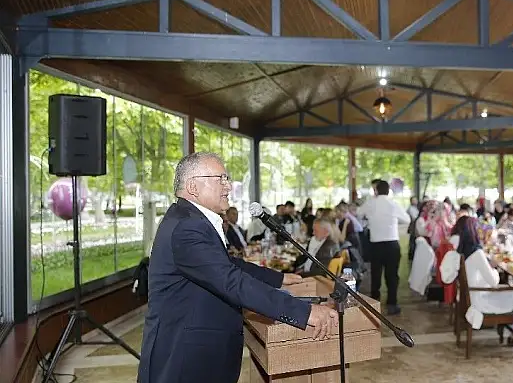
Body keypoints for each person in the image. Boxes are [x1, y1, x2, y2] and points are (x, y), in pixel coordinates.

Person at [138, 152, 337, 383]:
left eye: (227, 178)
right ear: (193, 186)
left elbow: (225, 264)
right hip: (186, 357)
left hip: (196, 350)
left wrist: (278, 279)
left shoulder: (189, 219)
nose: (229, 186)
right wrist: (303, 312)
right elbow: (230, 280)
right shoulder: (188, 226)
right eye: (220, 179)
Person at [358, 180, 410, 315]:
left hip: (375, 245)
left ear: (376, 190)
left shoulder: (371, 203)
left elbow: (358, 213)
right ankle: (392, 303)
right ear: (388, 191)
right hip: (392, 244)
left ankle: (374, 303)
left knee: (375, 274)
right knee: (392, 275)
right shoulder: (394, 204)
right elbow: (407, 219)